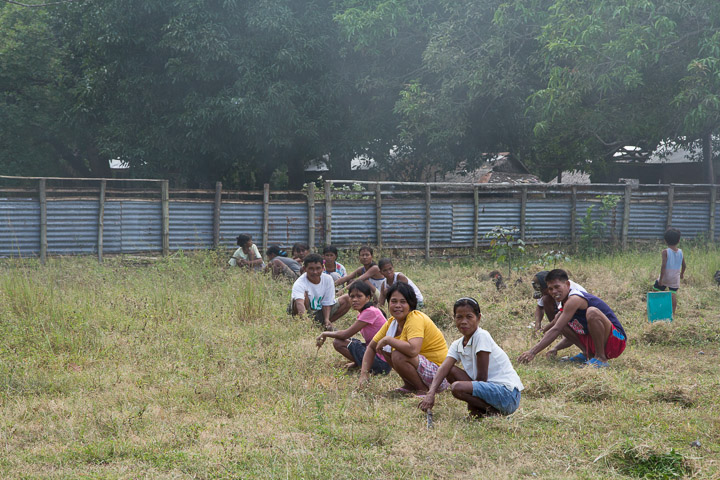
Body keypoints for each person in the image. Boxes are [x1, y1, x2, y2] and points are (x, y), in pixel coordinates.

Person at [419, 297, 524, 417]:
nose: (463, 321)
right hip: (489, 390)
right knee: (450, 371)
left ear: (478, 318)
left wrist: (471, 405)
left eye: (469, 317)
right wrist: (431, 393)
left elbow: (481, 379)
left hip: (507, 395)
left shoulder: (481, 336)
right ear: (454, 319)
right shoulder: (457, 344)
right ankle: (482, 412)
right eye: (459, 317)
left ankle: (493, 413)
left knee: (457, 387)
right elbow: (444, 368)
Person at [518, 269, 627, 368]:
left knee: (592, 312)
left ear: (567, 284)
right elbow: (565, 330)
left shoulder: (574, 298)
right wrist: (555, 348)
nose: (554, 292)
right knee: (560, 319)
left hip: (617, 340)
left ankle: (601, 358)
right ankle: (588, 354)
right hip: (594, 341)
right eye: (550, 289)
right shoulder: (564, 303)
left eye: (557, 287)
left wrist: (532, 352)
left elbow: (556, 329)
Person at [358, 283, 448, 395]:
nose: (397, 305)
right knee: (387, 351)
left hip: (439, 375)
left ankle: (422, 390)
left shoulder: (415, 318)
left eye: (403, 302)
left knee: (397, 353)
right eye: (394, 301)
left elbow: (413, 350)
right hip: (424, 369)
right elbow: (371, 347)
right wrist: (364, 374)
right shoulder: (392, 323)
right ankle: (410, 385)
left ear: (411, 304)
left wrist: (388, 340)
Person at [315, 281, 390, 374]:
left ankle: (364, 366)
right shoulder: (367, 311)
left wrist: (324, 333)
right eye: (352, 296)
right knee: (350, 341)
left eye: (359, 296)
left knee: (338, 342)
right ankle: (358, 363)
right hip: (379, 357)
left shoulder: (370, 312)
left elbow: (345, 334)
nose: (354, 300)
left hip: (381, 363)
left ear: (368, 298)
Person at [291, 254, 350, 330]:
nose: (315, 272)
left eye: (318, 268)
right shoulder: (299, 283)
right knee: (303, 296)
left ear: (323, 268)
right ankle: (307, 326)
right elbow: (299, 304)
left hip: (319, 311)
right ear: (305, 269)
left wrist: (326, 319)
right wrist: (306, 322)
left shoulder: (328, 279)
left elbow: (327, 302)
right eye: (311, 269)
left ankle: (323, 326)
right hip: (304, 312)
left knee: (347, 299)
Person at [653, 228, 686, 314]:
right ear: (678, 240)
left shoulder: (665, 252)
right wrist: (682, 274)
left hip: (666, 275)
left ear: (665, 241)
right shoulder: (680, 252)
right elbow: (684, 265)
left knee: (656, 290)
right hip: (675, 276)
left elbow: (663, 266)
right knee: (672, 293)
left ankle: (656, 309)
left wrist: (661, 279)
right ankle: (673, 313)